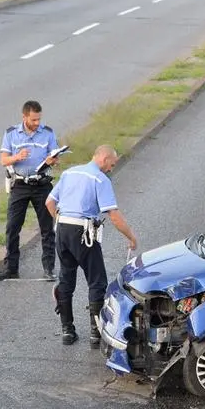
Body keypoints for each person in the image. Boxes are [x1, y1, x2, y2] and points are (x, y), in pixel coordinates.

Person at [45, 145, 138, 347]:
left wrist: (62, 222)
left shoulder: (69, 173)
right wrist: (130, 237)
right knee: (96, 281)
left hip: (62, 229)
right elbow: (113, 215)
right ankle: (96, 334)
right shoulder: (100, 179)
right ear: (104, 159)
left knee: (66, 279)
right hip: (84, 232)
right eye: (111, 164)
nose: (111, 169)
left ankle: (67, 331)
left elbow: (49, 203)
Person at [0, 100, 61, 281]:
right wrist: (17, 157)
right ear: (24, 117)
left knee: (47, 228)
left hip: (42, 184)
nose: (37, 123)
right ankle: (11, 268)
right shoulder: (11, 134)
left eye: (39, 119)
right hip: (20, 185)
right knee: (13, 227)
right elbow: (3, 160)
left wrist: (52, 160)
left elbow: (56, 157)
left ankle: (49, 268)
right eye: (33, 120)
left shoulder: (47, 133)